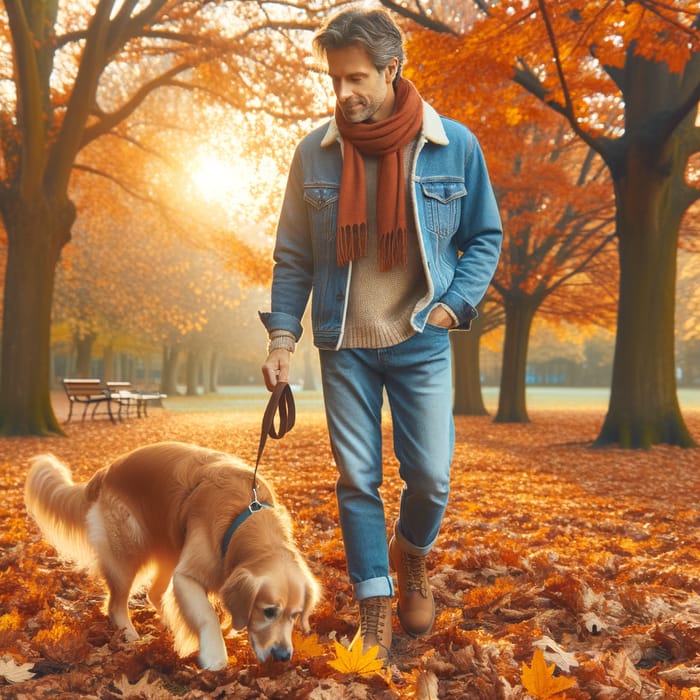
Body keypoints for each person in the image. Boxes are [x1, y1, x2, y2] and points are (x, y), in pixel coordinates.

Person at [260, 6, 502, 661]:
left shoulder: (455, 146)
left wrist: (454, 304)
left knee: (430, 478)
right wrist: (283, 340)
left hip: (422, 337)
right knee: (357, 479)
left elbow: (485, 236)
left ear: (393, 71)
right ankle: (375, 606)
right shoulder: (314, 153)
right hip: (345, 345)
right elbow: (293, 257)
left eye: (357, 78)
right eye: (335, 79)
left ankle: (412, 556)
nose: (343, 93)